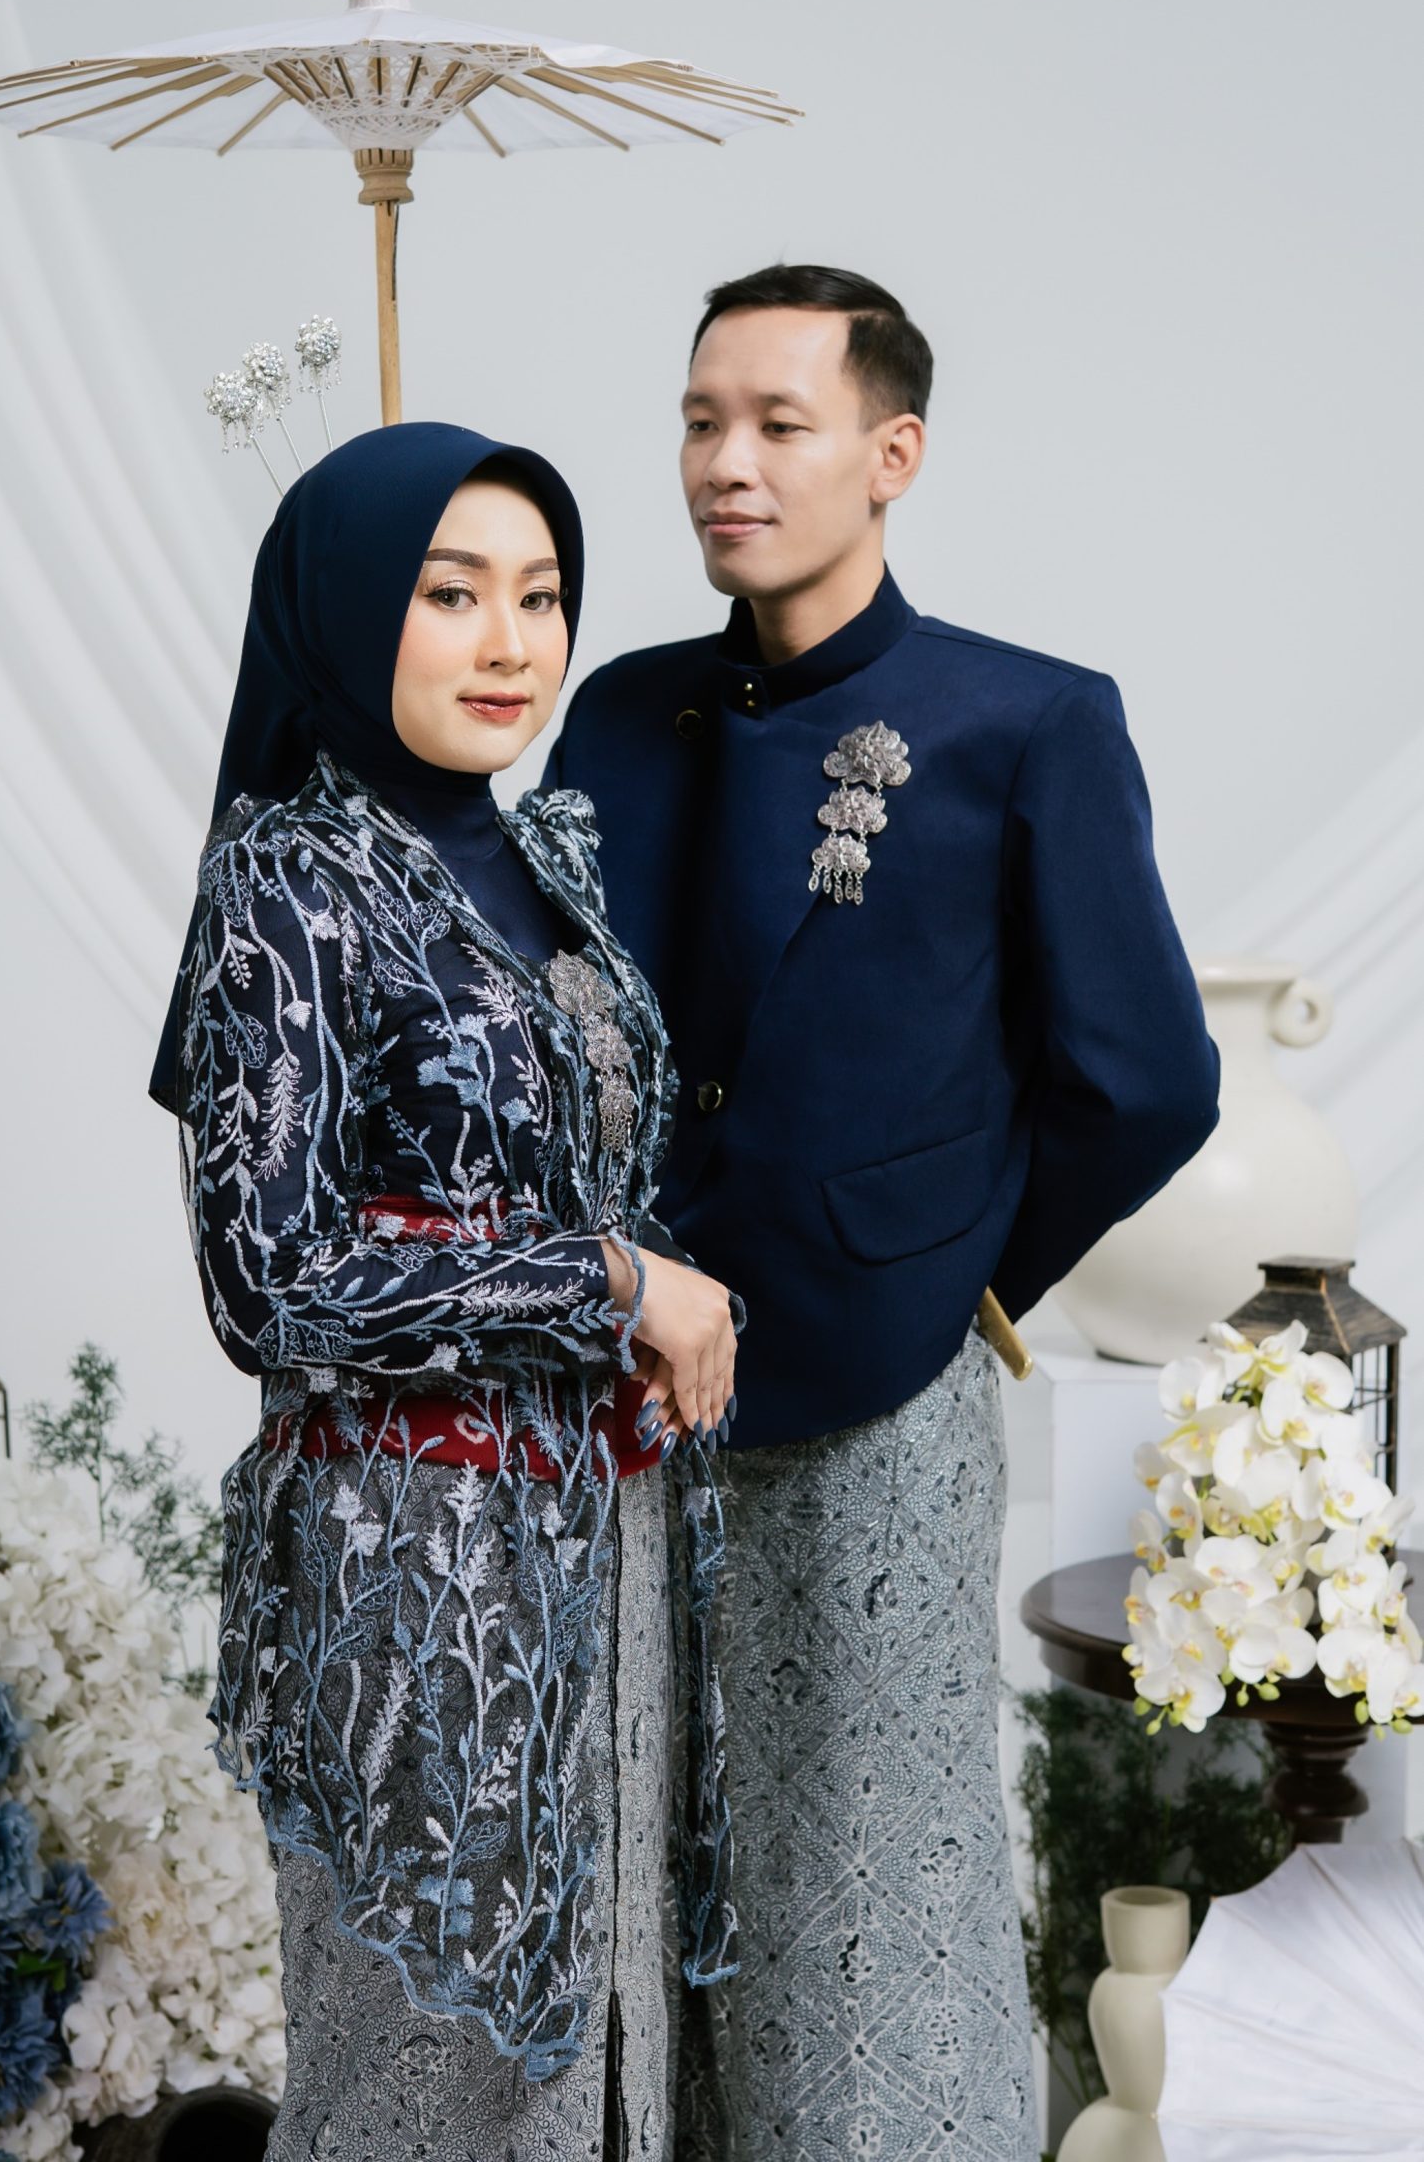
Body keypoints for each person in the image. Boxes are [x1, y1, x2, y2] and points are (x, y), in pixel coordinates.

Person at [545, 266, 1222, 2161]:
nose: (726, 463)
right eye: (700, 421)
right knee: (635, 1850)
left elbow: (1146, 1077)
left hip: (874, 1389)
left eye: (779, 423)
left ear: (890, 453)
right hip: (610, 1389)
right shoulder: (616, 711)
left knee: (862, 1869)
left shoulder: (1025, 719)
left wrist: (947, 1269)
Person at [148, 421, 741, 2161]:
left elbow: (581, 1155)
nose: (510, 644)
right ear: (346, 613)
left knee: (601, 2037)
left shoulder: (551, 860)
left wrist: (657, 1288)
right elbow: (272, 1283)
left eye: (540, 597)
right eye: (450, 593)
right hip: (414, 1559)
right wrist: (608, 1282)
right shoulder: (288, 881)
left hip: (606, 1544)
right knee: (421, 2053)